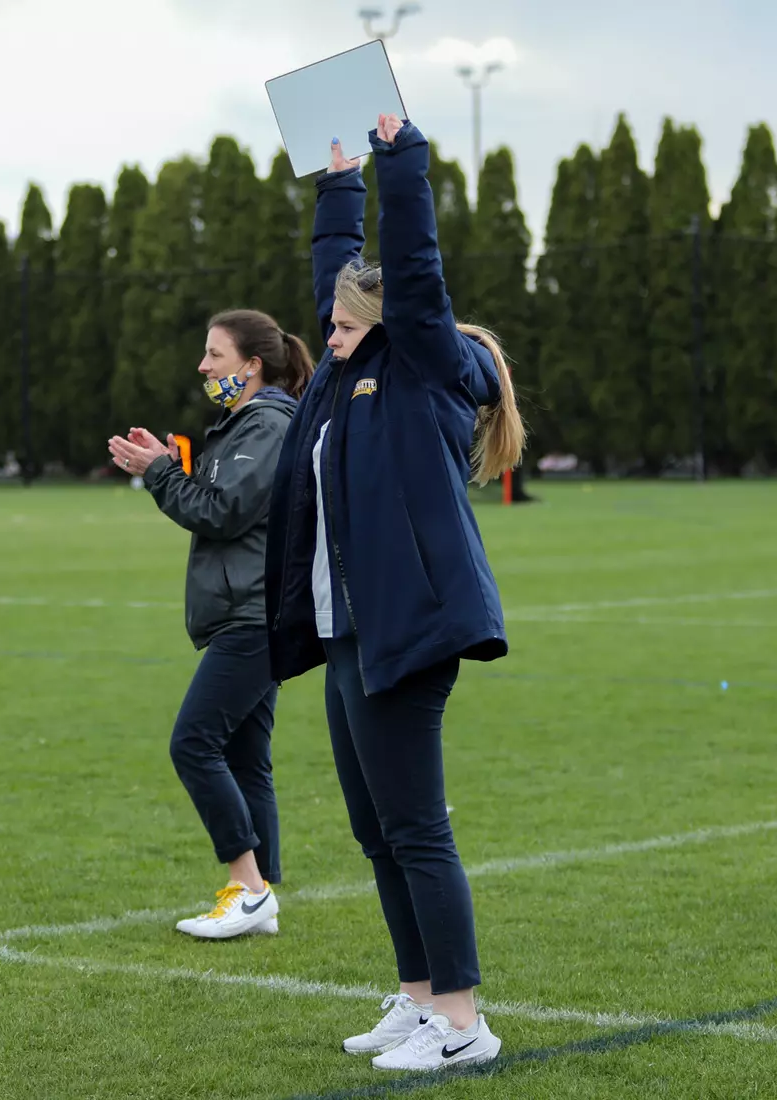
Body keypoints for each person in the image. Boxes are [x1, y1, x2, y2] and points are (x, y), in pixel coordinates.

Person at [264, 116, 526, 1073]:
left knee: (416, 828)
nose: (321, 335)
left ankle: (461, 1024)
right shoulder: (345, 374)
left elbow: (411, 271)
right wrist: (338, 187)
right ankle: (418, 1001)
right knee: (377, 832)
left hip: (406, 633)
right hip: (348, 636)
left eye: (340, 323)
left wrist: (397, 159)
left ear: (384, 327)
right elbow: (340, 273)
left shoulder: (420, 367)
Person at [107, 310, 314, 940]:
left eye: (215, 356)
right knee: (247, 756)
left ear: (252, 365)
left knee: (193, 742)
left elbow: (221, 512)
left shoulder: (267, 423)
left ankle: (247, 888)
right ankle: (261, 896)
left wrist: (160, 474)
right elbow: (220, 502)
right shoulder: (241, 425)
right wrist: (166, 466)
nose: (203, 367)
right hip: (249, 611)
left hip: (253, 616)